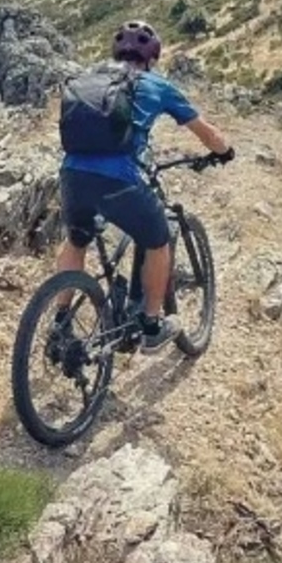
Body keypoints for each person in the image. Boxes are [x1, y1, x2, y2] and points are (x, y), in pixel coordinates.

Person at [56, 19, 234, 352]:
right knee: (158, 239)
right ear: (152, 57)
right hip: (119, 179)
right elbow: (207, 134)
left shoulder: (90, 78)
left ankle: (59, 323)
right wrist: (225, 152)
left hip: (72, 174)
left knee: (77, 239)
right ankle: (151, 325)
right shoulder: (158, 85)